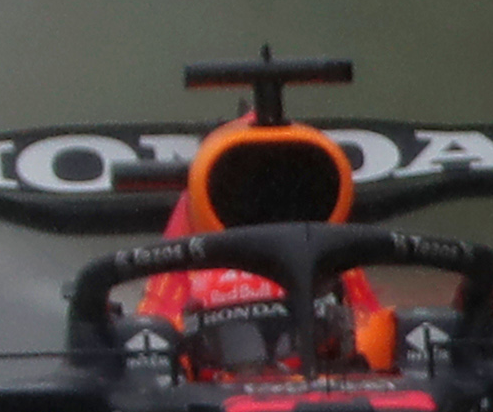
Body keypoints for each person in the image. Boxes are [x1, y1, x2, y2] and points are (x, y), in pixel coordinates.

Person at [142, 114, 396, 374]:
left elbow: (370, 327)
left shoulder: (335, 284)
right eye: (242, 343)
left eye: (289, 342)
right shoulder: (178, 312)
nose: (271, 375)